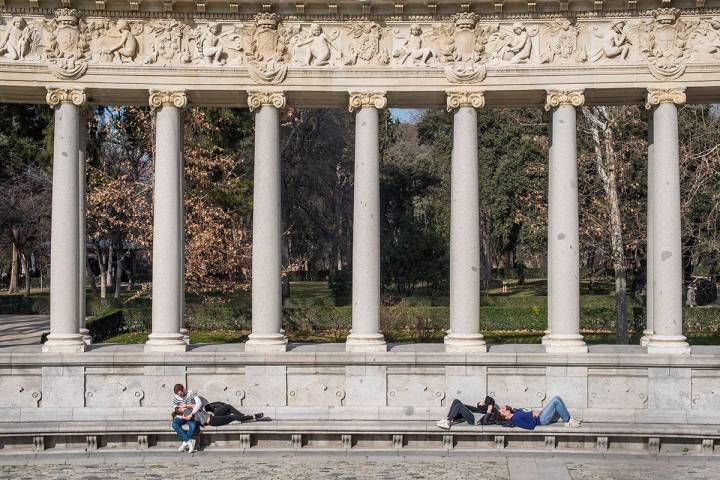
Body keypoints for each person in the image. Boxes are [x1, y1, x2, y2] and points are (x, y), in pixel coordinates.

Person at [497, 396, 581, 430]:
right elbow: (529, 427)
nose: (503, 408)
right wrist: (534, 416)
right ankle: (568, 421)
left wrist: (533, 412)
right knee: (555, 400)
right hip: (541, 419)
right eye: (502, 411)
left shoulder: (515, 412)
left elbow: (525, 413)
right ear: (505, 417)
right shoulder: (515, 419)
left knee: (557, 398)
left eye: (502, 408)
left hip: (540, 415)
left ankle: (568, 420)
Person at [171, 384, 202, 453]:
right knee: (174, 424)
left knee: (193, 426)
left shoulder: (191, 393)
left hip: (192, 415)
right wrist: (184, 416)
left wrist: (191, 413)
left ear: (184, 389)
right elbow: (177, 410)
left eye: (181, 394)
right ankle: (189, 441)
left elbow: (199, 404)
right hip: (182, 416)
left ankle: (185, 443)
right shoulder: (176, 398)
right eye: (179, 395)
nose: (180, 396)